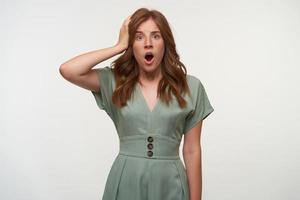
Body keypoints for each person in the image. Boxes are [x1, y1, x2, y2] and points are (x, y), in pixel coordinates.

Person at [59, 7, 214, 200]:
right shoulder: (115, 82)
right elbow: (69, 70)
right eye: (139, 37)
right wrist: (117, 46)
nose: (148, 44)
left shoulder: (191, 87)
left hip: (170, 184)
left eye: (156, 36)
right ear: (131, 45)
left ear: (165, 42)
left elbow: (192, 150)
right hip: (126, 181)